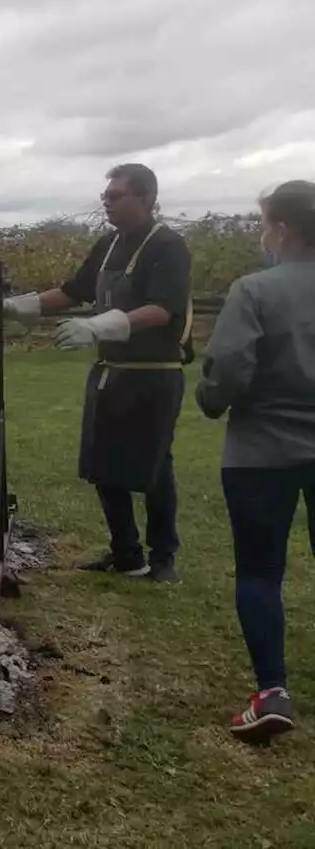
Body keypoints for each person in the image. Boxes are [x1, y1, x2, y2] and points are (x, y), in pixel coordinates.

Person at [0, 163, 193, 583]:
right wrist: (16, 305)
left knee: (153, 465)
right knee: (104, 464)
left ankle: (163, 560)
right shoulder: (107, 244)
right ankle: (126, 555)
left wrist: (98, 326)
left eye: (117, 194)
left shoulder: (168, 247)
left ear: (146, 198)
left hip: (154, 373)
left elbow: (163, 309)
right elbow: (73, 291)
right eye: (106, 194)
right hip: (110, 371)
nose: (107, 200)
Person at [195, 180, 315, 744]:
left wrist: (210, 399)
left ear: (284, 230)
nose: (263, 234)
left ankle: (272, 693)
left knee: (261, 572)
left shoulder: (254, 291)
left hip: (259, 456)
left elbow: (228, 373)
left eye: (265, 224)